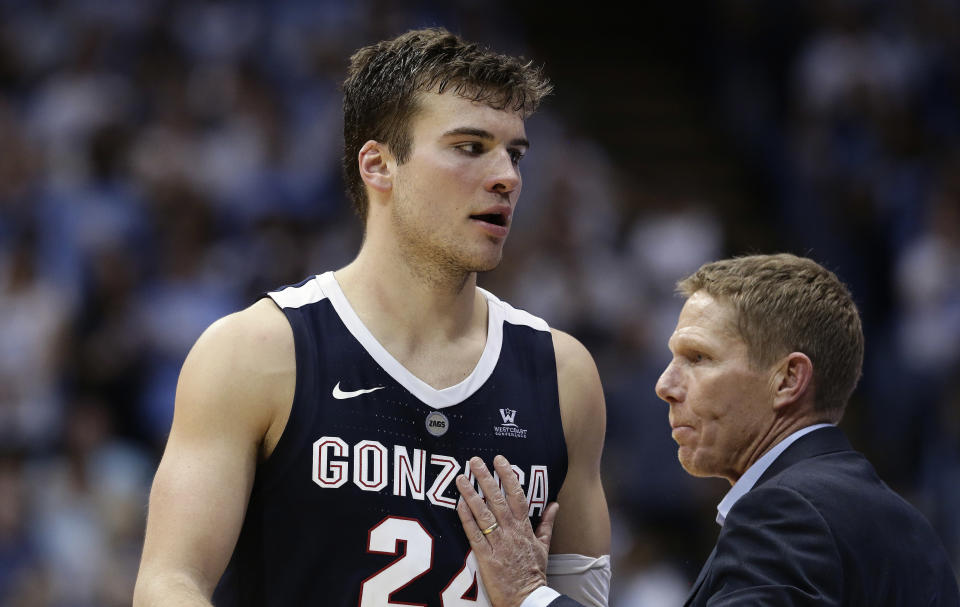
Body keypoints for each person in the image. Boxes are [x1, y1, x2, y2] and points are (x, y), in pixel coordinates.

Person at [132, 27, 611, 607]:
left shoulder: (563, 374)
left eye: (514, 153)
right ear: (379, 165)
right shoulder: (258, 350)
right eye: (469, 146)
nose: (507, 176)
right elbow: (170, 581)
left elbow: (585, 602)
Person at [456, 253, 960, 606]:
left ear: (787, 379)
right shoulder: (899, 520)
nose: (664, 385)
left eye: (698, 358)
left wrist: (528, 594)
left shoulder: (789, 510)